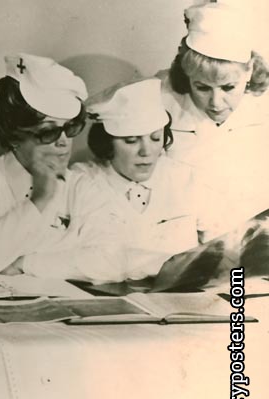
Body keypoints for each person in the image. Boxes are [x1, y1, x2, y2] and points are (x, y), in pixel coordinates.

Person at [24, 79, 201, 282]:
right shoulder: (82, 182)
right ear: (107, 143)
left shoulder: (184, 178)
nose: (146, 151)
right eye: (131, 141)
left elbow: (221, 243)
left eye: (155, 138)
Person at [0, 54, 89, 283]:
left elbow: (103, 261)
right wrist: (39, 200)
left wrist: (25, 265)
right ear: (13, 137)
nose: (63, 142)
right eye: (48, 132)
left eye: (70, 128)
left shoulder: (82, 186)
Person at [160, 2, 269, 237]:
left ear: (249, 71)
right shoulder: (159, 100)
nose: (216, 103)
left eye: (228, 87)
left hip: (255, 243)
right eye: (202, 87)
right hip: (181, 242)